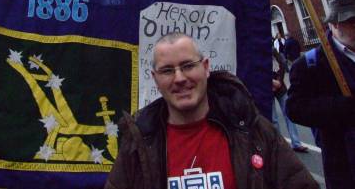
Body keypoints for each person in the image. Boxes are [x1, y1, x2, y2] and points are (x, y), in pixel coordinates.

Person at [105, 32, 318, 189]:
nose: (179, 78)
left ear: (206, 67)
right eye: (167, 70)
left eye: (188, 66)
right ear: (155, 79)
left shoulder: (253, 130)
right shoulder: (139, 142)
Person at [287, 0, 355, 189]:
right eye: (351, 22)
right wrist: (342, 107)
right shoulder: (311, 64)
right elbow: (295, 108)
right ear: (333, 24)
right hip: (344, 162)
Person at [271, 47, 308, 153]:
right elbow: (258, 71)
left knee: (289, 115)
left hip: (280, 88)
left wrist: (279, 81)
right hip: (267, 88)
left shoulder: (272, 50)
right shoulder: (255, 52)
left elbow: (282, 64)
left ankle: (296, 143)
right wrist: (272, 82)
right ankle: (279, 146)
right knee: (274, 120)